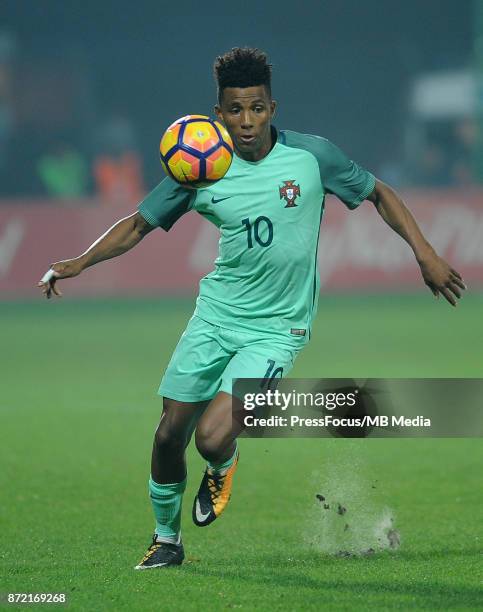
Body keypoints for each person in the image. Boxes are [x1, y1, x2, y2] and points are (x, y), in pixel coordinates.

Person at [38, 48, 466, 570]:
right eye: (235, 110)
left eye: (257, 109)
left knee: (211, 436)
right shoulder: (201, 166)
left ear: (273, 108)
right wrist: (80, 262)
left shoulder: (312, 157)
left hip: (277, 329)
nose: (247, 121)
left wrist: (425, 254)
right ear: (218, 113)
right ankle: (166, 541)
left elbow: (380, 193)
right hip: (215, 317)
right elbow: (137, 223)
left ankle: (223, 463)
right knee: (169, 433)